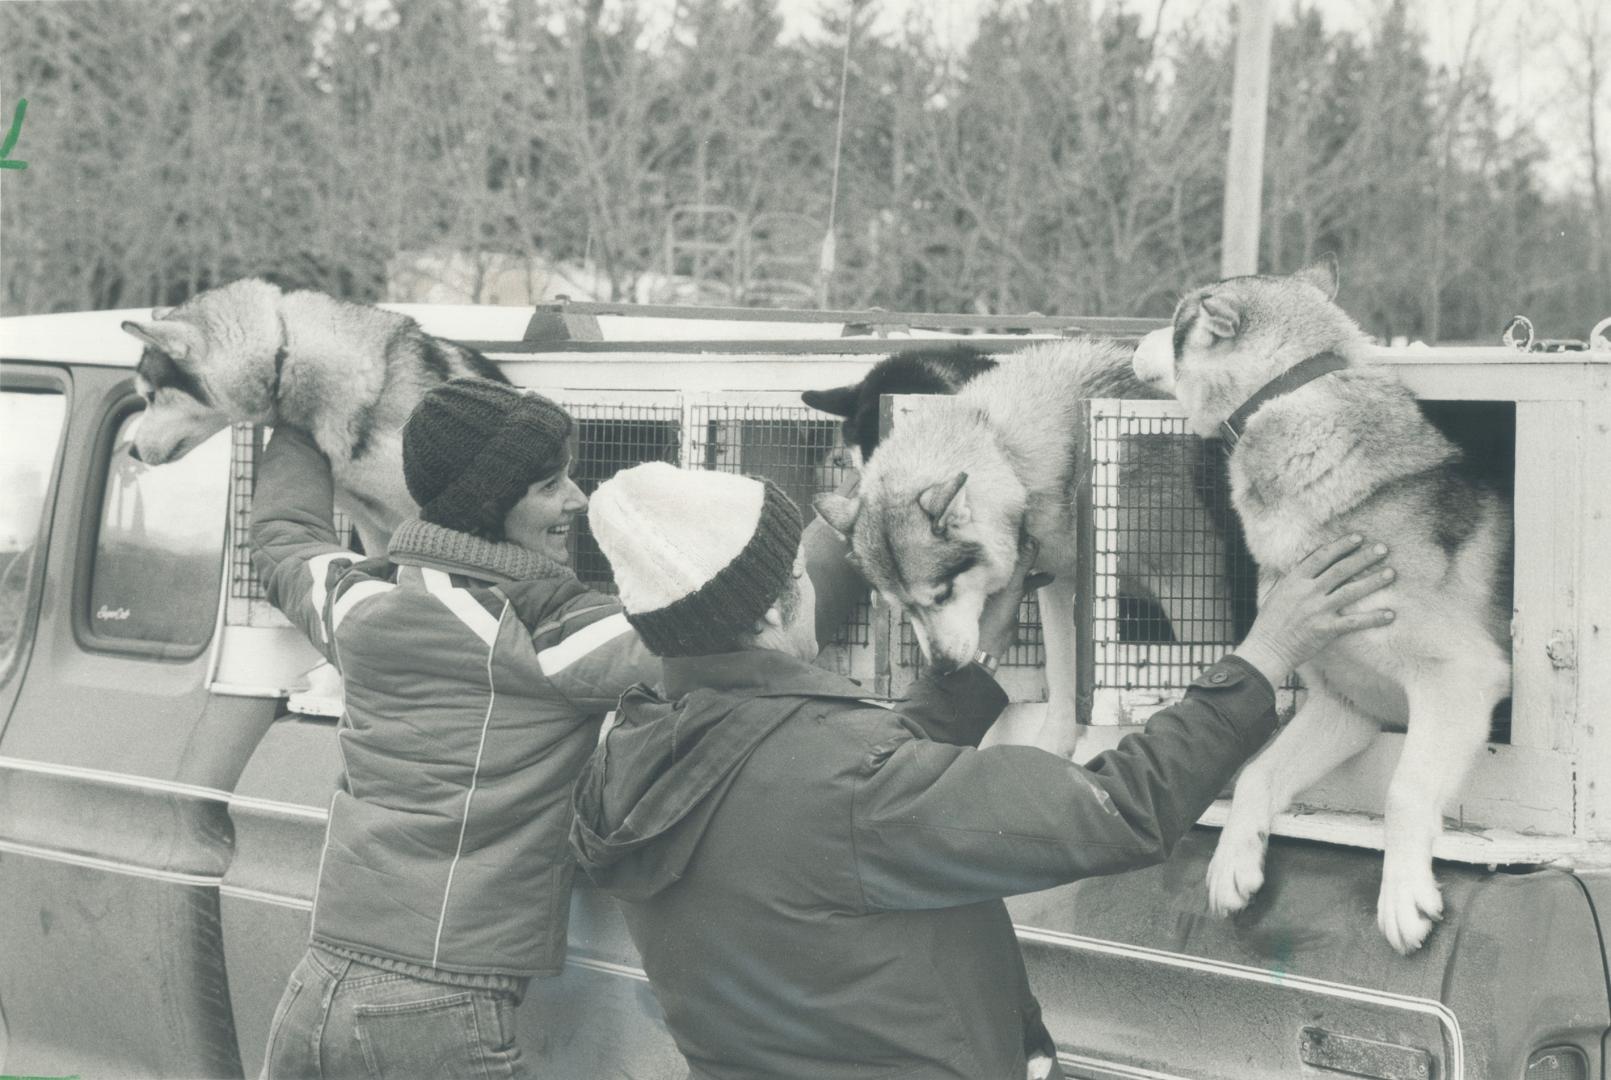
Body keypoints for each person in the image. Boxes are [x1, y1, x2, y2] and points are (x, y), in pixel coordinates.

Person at [570, 461, 1398, 1080]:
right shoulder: (842, 784)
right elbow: (1115, 807)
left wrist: (971, 667)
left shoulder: (634, 748)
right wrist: (1266, 654)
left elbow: (806, 787)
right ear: (777, 601)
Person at [250, 378, 661, 1079]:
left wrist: (301, 412)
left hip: (317, 989)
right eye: (548, 484)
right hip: (439, 1009)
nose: (578, 499)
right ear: (488, 503)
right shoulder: (546, 635)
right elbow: (724, 637)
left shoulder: (360, 601)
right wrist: (839, 533)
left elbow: (284, 538)